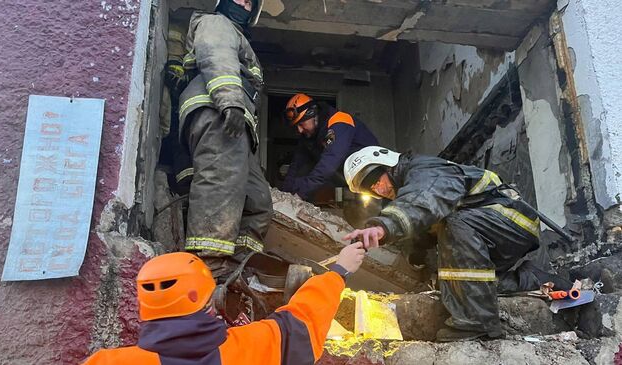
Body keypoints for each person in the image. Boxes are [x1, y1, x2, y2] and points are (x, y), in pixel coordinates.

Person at [342, 146, 571, 342]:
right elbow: (424, 225)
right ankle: (535, 279)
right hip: (489, 229)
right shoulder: (410, 187)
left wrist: (385, 225)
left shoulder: (423, 169)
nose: (379, 190)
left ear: (388, 164)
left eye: (376, 180)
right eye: (371, 188)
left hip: (511, 218)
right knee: (455, 287)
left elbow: (426, 199)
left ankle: (478, 321)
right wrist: (416, 256)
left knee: (454, 224)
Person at [82, 242, 367, 364]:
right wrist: (339, 271)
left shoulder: (108, 362)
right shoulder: (244, 350)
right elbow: (302, 322)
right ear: (208, 306)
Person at [177, 0, 271, 276]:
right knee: (220, 186)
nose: (243, 4)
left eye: (248, 2)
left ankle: (235, 268)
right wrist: (230, 100)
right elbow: (216, 55)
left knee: (258, 201)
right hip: (218, 112)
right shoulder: (216, 23)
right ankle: (207, 266)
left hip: (235, 124)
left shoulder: (240, 37)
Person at [280, 93, 379, 202]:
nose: (299, 130)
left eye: (302, 124)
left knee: (370, 209)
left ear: (312, 114)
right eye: (296, 126)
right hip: (345, 173)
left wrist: (300, 195)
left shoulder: (340, 121)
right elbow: (296, 165)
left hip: (370, 173)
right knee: (301, 176)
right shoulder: (309, 135)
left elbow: (328, 164)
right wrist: (285, 195)